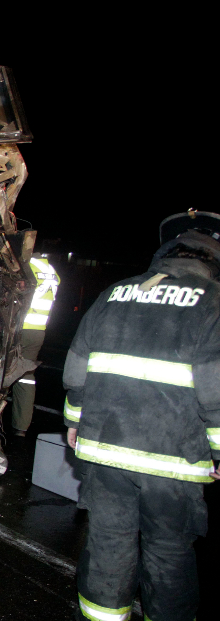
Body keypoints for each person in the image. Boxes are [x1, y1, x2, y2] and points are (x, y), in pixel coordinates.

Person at [63, 209, 220, 621]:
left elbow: (77, 368)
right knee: (168, 554)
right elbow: (216, 389)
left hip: (105, 451)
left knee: (108, 545)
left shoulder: (115, 293)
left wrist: (75, 424)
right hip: (173, 461)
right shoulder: (214, 303)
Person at [11, 253, 59, 436]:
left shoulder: (26, 266)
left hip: (18, 329)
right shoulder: (51, 271)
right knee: (25, 376)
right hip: (38, 331)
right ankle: (21, 427)